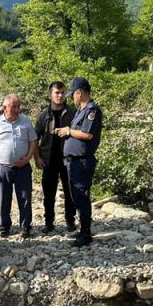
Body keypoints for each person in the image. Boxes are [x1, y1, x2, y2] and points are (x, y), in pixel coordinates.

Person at [55, 77, 103, 248]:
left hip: (82, 161)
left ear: (79, 93)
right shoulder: (80, 111)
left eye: (72, 95)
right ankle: (82, 229)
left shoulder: (92, 110)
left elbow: (87, 134)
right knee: (76, 196)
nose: (71, 99)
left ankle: (86, 233)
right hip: (72, 161)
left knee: (82, 197)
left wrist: (69, 131)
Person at [0, 94, 38, 238]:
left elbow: (33, 141)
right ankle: (4, 225)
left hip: (23, 167)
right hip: (3, 167)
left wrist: (29, 157)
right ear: (5, 108)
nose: (18, 109)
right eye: (14, 107)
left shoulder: (26, 121)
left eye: (19, 106)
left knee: (24, 197)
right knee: (4, 197)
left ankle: (25, 226)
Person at [34, 81, 77, 233]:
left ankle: (70, 221)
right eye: (56, 93)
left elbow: (79, 133)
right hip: (48, 159)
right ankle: (48, 222)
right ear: (50, 95)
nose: (59, 96)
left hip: (68, 159)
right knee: (48, 193)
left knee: (69, 191)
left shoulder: (72, 113)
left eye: (62, 93)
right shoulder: (44, 115)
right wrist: (37, 157)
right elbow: (35, 137)